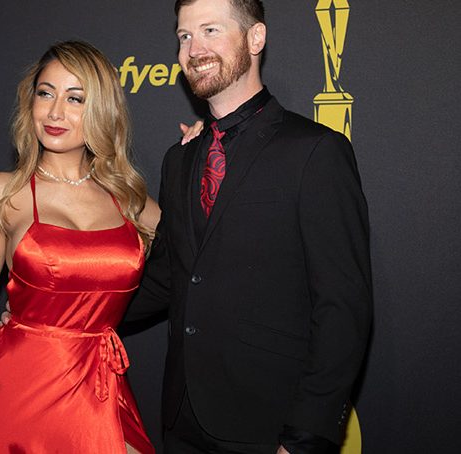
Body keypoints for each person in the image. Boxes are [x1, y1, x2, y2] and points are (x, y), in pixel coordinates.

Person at [124, 0, 373, 453]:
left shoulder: (315, 151)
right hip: (181, 419)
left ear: (255, 38)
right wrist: (59, 314)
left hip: (268, 426)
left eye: (211, 30)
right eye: (185, 36)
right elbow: (167, 278)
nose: (194, 48)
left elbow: (343, 308)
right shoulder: (179, 159)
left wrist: (303, 438)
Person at [0, 41, 160, 454]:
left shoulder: (130, 200)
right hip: (12, 390)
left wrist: (203, 152)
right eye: (45, 93)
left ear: (101, 109)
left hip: (99, 391)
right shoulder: (4, 192)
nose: (54, 112)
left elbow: (199, 262)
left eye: (75, 98)